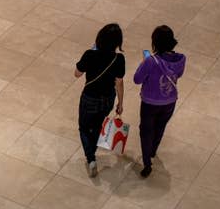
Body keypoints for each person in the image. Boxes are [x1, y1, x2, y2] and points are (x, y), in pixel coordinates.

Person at [133, 25, 186, 178]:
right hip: (170, 101)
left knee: (146, 131)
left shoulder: (151, 61)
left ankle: (147, 164)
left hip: (150, 103)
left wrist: (145, 63)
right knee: (160, 127)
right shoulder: (182, 59)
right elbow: (179, 75)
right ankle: (153, 150)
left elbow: (137, 79)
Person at [74, 23, 125, 178]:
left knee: (83, 127)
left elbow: (77, 74)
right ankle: (92, 153)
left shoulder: (89, 54)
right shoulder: (119, 59)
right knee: (97, 127)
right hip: (108, 99)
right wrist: (120, 103)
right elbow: (119, 82)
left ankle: (91, 159)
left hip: (90, 97)